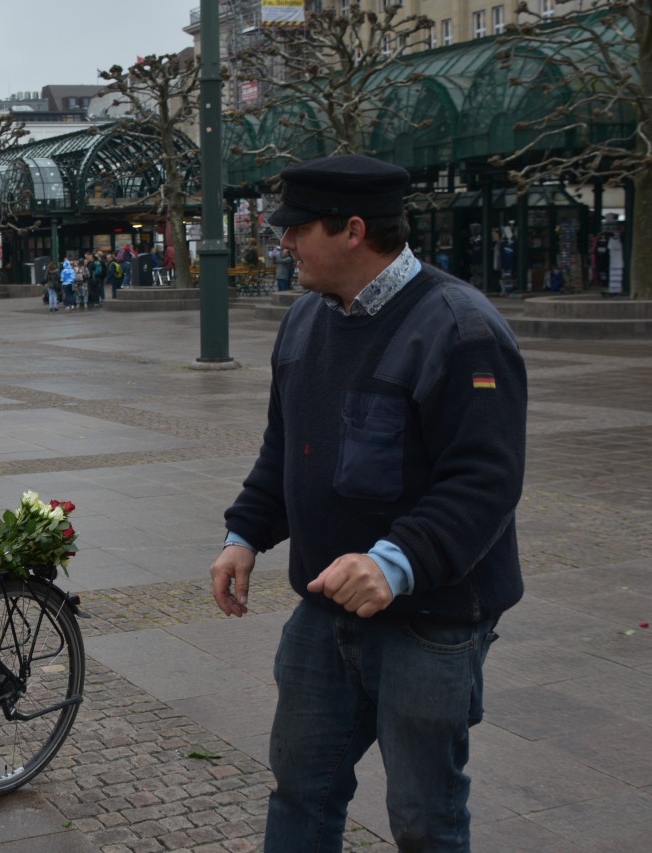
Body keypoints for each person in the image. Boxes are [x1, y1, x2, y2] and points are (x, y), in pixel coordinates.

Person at [208, 153, 527, 852]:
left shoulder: (460, 328)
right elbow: (284, 449)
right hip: (324, 617)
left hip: (430, 625)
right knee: (300, 793)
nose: (283, 242)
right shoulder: (302, 323)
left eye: (295, 228)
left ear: (352, 230)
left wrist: (395, 561)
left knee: (423, 819)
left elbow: (485, 481)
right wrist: (245, 533)